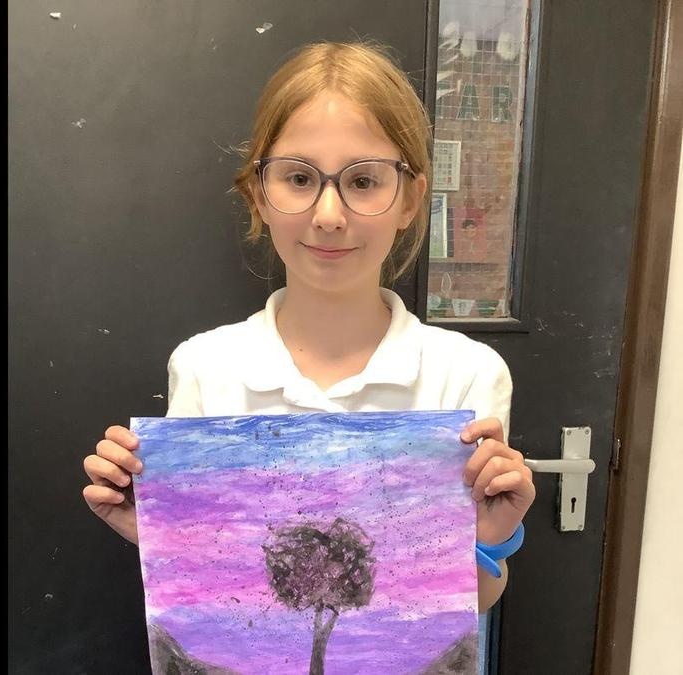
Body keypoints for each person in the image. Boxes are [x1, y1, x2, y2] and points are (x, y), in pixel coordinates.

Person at [82, 40, 535, 613]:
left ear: (410, 200)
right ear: (258, 193)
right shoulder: (205, 367)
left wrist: (490, 537)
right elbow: (214, 597)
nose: (328, 215)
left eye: (364, 181)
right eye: (299, 178)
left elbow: (471, 606)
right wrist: (158, 532)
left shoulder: (466, 374)